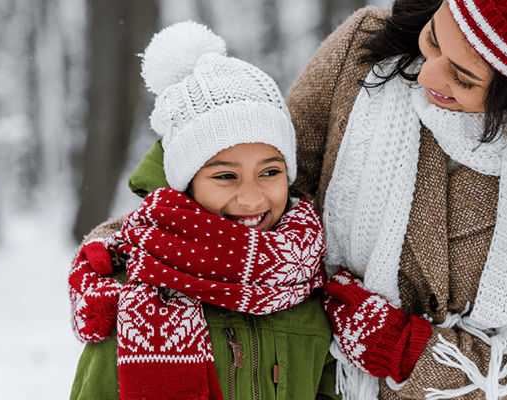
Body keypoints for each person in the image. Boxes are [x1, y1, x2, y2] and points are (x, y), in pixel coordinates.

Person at [286, 0, 507, 399]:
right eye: (432, 39)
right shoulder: (365, 49)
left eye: (463, 78)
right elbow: (272, 190)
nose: (425, 74)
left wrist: (410, 354)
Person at [68, 22, 339, 400]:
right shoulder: (132, 300)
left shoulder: (313, 287)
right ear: (186, 184)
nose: (251, 199)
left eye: (270, 172)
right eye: (226, 176)